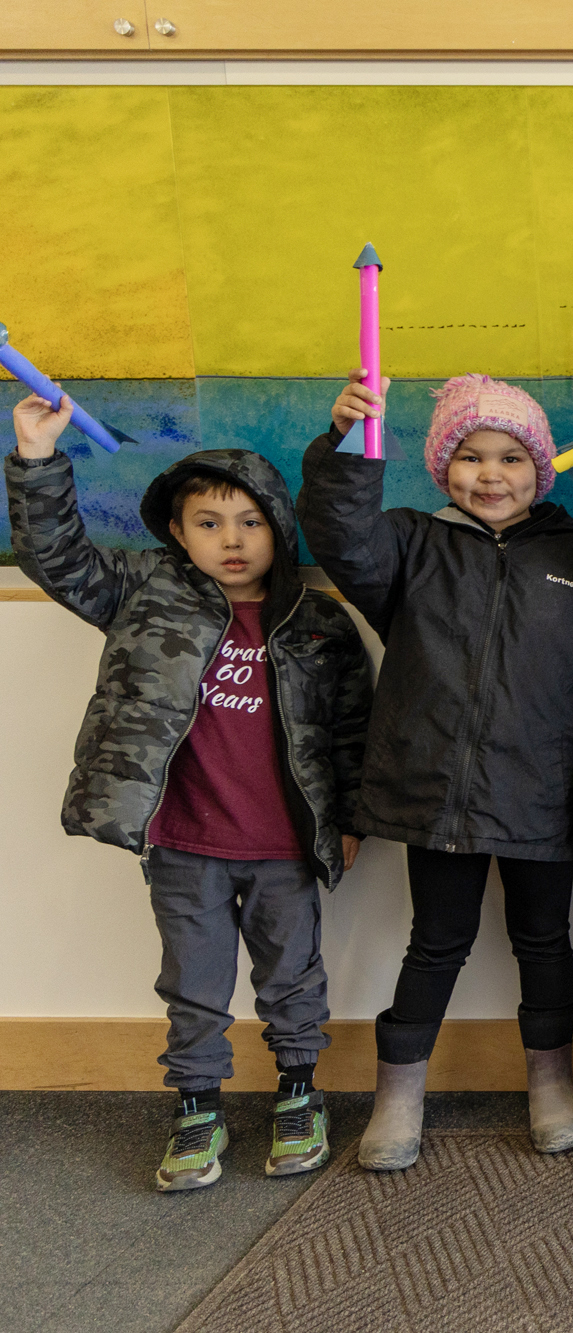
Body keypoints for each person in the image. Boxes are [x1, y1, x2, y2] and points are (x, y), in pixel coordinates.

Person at [6, 390, 370, 1191]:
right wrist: (36, 457)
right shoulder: (144, 594)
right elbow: (57, 557)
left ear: (279, 526)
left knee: (292, 978)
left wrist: (348, 822)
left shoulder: (316, 624)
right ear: (176, 531)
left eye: (251, 522)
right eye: (209, 522)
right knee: (194, 982)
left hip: (283, 845)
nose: (232, 541)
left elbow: (350, 734)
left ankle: (299, 1094)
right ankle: (197, 1107)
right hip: (183, 842)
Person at [298, 371, 573, 1170]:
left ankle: (551, 1081)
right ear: (443, 467)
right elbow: (341, 531)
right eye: (471, 457)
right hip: (438, 797)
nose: (491, 475)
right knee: (435, 940)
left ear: (543, 466)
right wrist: (345, 443)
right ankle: (399, 1095)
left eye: (511, 457)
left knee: (544, 941)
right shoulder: (411, 544)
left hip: (540, 799)